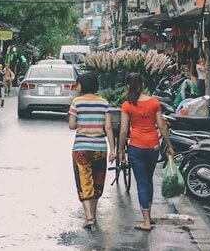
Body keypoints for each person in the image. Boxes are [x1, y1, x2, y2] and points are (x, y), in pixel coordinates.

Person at [119, 72, 174, 232]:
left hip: (136, 146)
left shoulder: (127, 105)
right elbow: (162, 126)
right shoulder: (154, 102)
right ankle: (148, 216)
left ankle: (146, 222)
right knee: (148, 181)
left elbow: (123, 131)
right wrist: (169, 145)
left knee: (141, 183)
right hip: (153, 147)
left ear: (128, 86)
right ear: (142, 85)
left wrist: (121, 149)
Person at [68, 72, 115, 229]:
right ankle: (92, 215)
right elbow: (108, 127)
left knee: (84, 181)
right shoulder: (103, 103)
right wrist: (112, 150)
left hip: (81, 148)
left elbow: (71, 125)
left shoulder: (77, 102)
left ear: (84, 84)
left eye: (78, 83)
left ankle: (89, 216)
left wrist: (81, 122)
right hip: (100, 147)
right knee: (97, 181)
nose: (77, 86)